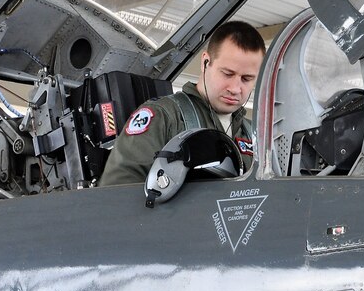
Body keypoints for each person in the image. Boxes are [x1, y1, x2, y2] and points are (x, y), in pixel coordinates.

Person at [99, 21, 266, 185]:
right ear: (205, 62)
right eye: (227, 74)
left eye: (247, 79)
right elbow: (116, 193)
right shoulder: (164, 118)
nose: (235, 88)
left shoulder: (258, 136)